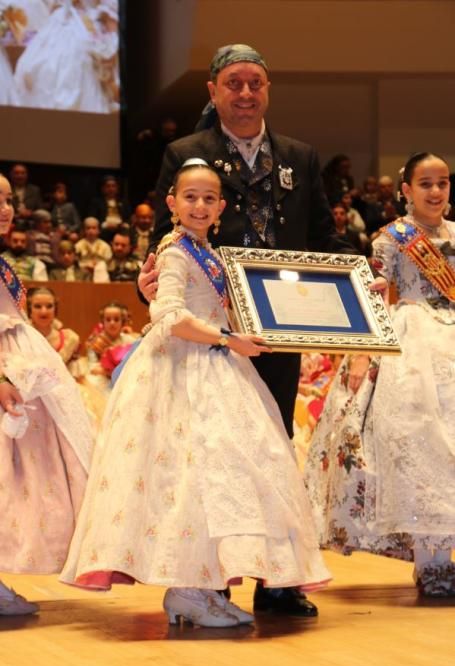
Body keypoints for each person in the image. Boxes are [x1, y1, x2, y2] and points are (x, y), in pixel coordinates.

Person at [61, 160, 330, 627]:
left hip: (215, 366)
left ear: (222, 206)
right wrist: (229, 341)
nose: (200, 205)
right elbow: (168, 316)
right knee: (191, 476)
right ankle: (187, 588)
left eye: (209, 198)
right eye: (191, 197)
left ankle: (204, 585)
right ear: (172, 203)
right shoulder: (175, 251)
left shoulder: (208, 251)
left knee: (223, 475)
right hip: (184, 371)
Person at [140, 44, 356, 617]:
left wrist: (361, 279)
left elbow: (324, 238)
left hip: (279, 327)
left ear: (267, 91)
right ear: (212, 92)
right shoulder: (187, 154)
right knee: (214, 456)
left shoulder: (300, 157)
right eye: (233, 83)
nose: (245, 93)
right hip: (212, 329)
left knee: (274, 448)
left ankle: (277, 579)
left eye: (255, 83)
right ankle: (214, 578)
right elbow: (165, 235)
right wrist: (151, 273)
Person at [304, 152, 455, 596]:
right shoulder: (391, 239)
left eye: (443, 183)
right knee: (419, 438)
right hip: (412, 340)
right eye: (425, 184)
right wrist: (360, 352)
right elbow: (374, 297)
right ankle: (433, 560)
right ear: (404, 191)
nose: (436, 192)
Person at [0, 174, 91, 615]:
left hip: (22, 372)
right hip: (5, 374)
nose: (4, 208)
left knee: (23, 480)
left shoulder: (4, 262)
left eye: (6, 200)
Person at [27, 286, 80, 371]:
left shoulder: (69, 339)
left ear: (55, 310)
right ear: (30, 311)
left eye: (49, 306)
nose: (44, 311)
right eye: (37, 306)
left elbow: (75, 376)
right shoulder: (20, 338)